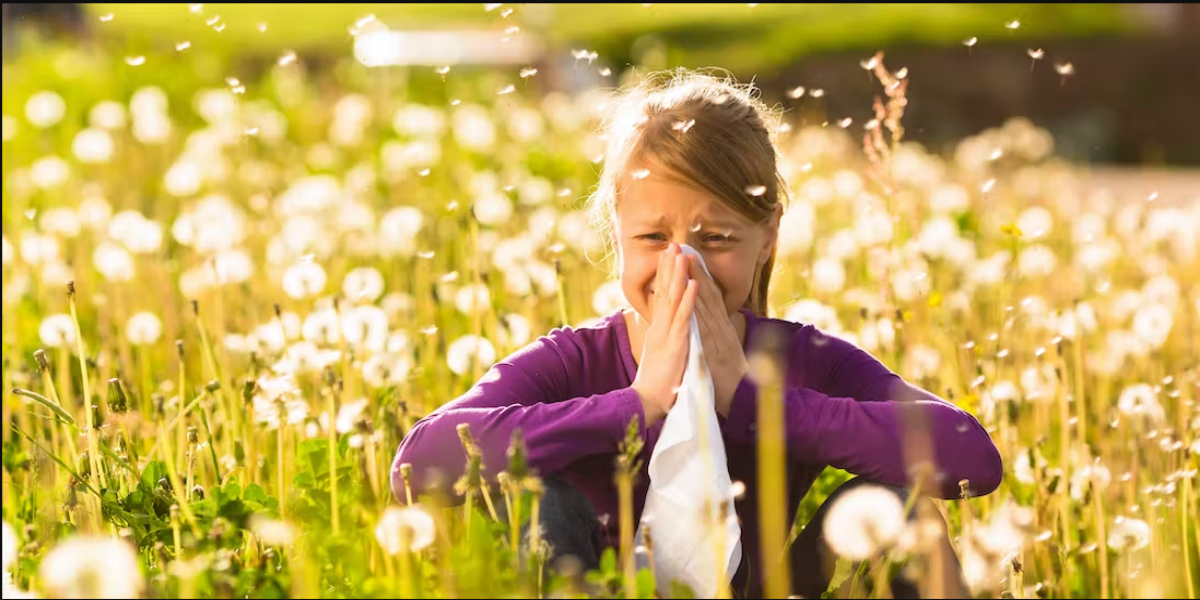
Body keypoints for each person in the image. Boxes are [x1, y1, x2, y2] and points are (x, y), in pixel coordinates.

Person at [390, 68, 1003, 599]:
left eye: (716, 239)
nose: (682, 266)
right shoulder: (573, 360)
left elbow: (971, 458)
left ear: (767, 238)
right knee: (540, 499)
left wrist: (755, 404)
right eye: (653, 238)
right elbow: (416, 467)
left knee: (904, 508)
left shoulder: (800, 358)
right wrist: (637, 406)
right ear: (616, 232)